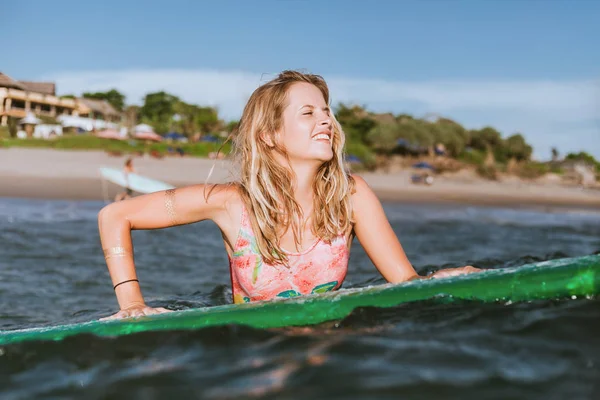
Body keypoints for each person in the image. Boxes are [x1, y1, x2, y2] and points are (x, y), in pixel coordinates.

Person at [98, 70, 479, 320]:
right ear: (270, 135)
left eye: (327, 111)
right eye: (308, 113)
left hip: (327, 357)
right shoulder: (231, 203)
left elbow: (405, 283)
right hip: (252, 357)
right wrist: (132, 304)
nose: (326, 121)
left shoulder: (351, 195)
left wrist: (439, 280)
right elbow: (115, 216)